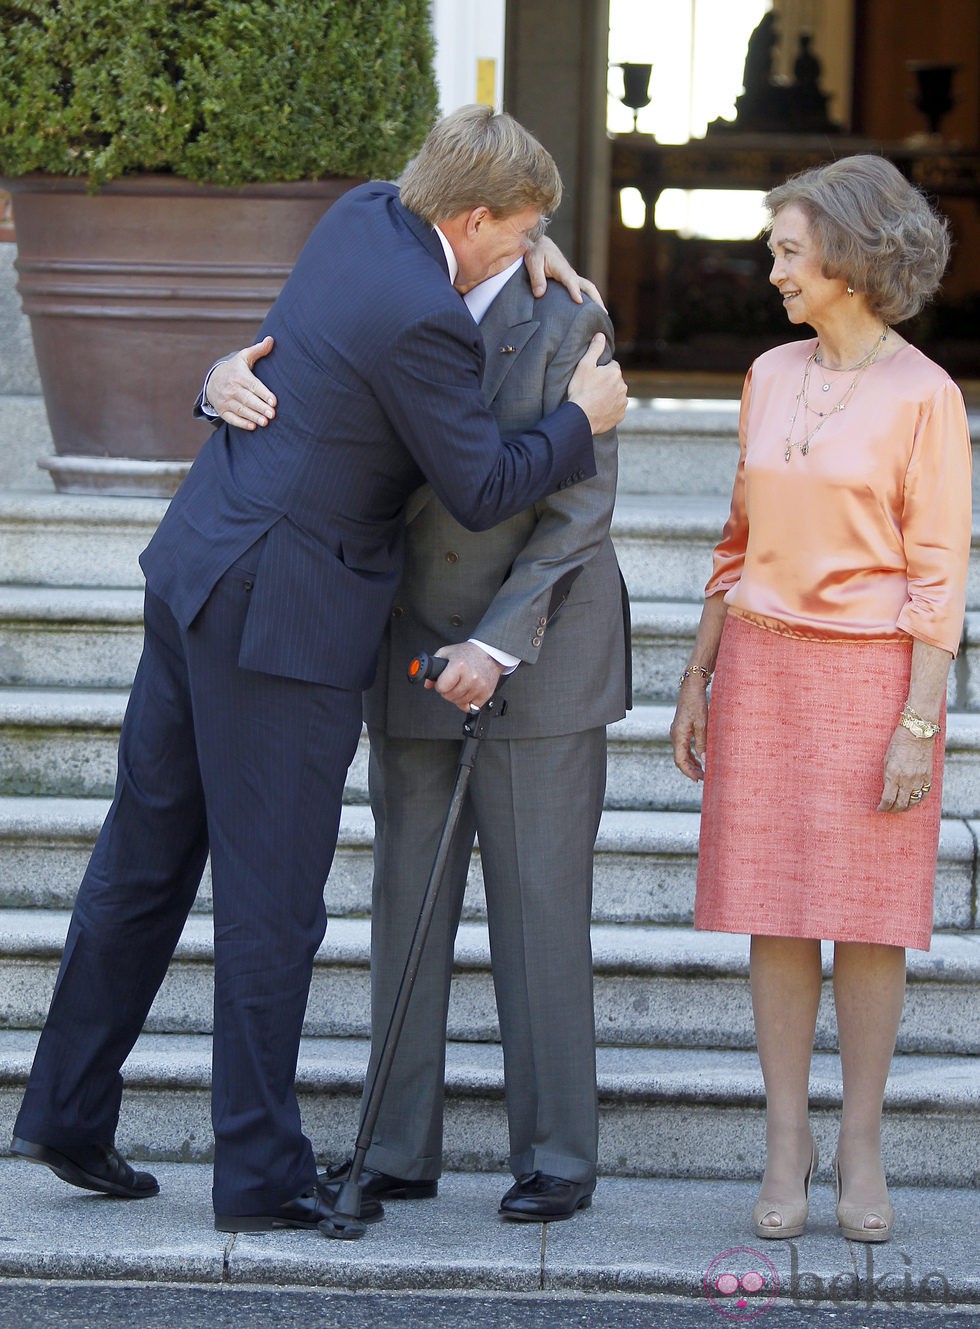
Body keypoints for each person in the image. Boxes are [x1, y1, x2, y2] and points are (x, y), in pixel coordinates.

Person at [9, 105, 627, 1236]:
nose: (533, 245)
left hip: (198, 562)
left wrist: (525, 245)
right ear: (474, 215)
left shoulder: (358, 216)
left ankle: (66, 1108)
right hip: (279, 614)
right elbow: (486, 484)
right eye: (524, 226)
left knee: (142, 856)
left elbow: (304, 360)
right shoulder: (422, 322)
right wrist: (582, 419)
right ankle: (258, 1176)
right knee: (272, 905)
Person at [206, 254, 630, 1223]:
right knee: (404, 903)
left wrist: (495, 643)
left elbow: (579, 509)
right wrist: (216, 376)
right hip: (404, 635)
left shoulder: (566, 316)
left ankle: (557, 1156)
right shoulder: (379, 287)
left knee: (539, 915)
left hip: (541, 641)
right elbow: (294, 393)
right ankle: (395, 1148)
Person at [670, 154, 971, 1244]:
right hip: (760, 668)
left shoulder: (924, 396)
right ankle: (785, 1144)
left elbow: (940, 578)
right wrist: (697, 678)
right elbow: (734, 540)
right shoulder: (764, 371)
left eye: (787, 252)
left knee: (867, 924)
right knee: (776, 915)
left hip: (870, 679)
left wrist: (916, 724)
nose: (772, 272)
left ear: (846, 258)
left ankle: (860, 1148)